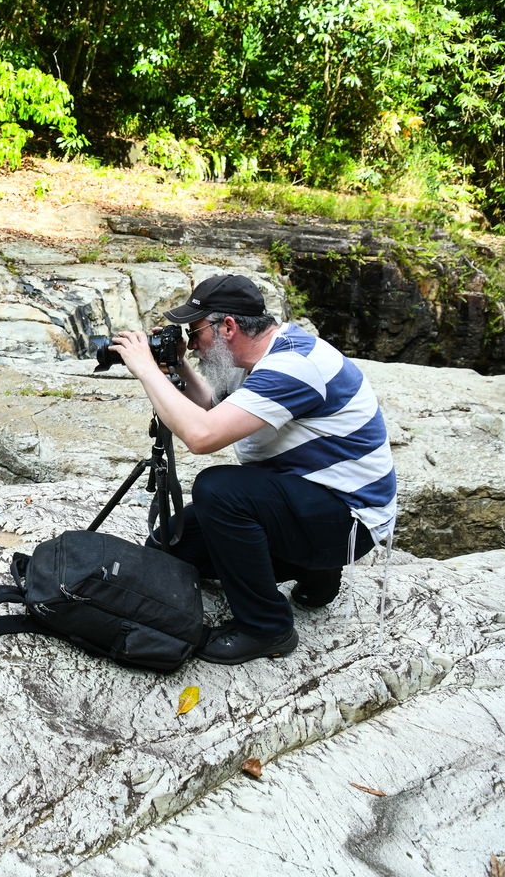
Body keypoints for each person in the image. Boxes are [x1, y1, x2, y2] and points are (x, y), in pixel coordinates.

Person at [109, 273, 396, 665]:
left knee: (220, 489)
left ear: (227, 327)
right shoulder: (257, 358)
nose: (192, 345)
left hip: (348, 519)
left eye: (195, 333)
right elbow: (213, 409)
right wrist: (175, 366)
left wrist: (146, 369)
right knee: (173, 548)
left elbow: (202, 436)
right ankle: (316, 572)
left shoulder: (293, 366)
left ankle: (267, 628)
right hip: (310, 500)